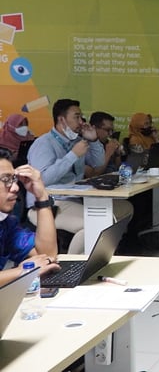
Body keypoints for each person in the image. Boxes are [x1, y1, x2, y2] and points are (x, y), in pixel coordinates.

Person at [27, 99, 133, 254]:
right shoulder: (44, 144)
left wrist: (94, 140)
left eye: (81, 117)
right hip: (49, 203)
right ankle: (72, 270)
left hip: (76, 197)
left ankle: (98, 257)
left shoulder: (76, 141)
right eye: (76, 117)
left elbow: (97, 163)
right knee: (95, 223)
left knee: (126, 208)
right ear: (62, 119)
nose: (81, 121)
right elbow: (42, 180)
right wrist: (72, 155)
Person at [0, 148, 60, 286]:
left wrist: (41, 197)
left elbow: (47, 255)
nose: (15, 188)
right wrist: (22, 272)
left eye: (13, 179)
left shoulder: (6, 223)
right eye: (6, 180)